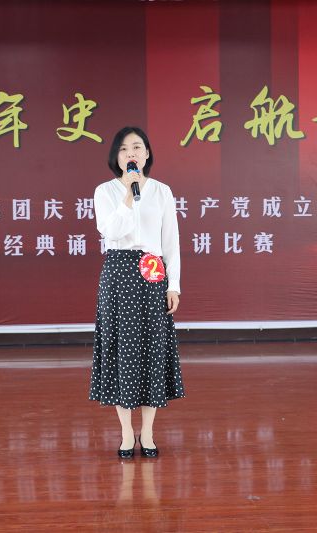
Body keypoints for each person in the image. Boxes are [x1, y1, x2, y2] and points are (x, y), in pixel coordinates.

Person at [88, 126, 185, 459]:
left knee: (151, 350)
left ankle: (149, 432)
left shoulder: (161, 191)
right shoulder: (106, 191)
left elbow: (171, 241)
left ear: (147, 154)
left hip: (153, 271)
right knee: (122, 351)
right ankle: (127, 432)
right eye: (124, 148)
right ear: (117, 156)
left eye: (137, 147)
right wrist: (128, 197)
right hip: (119, 272)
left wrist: (174, 285)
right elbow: (112, 231)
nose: (131, 153)